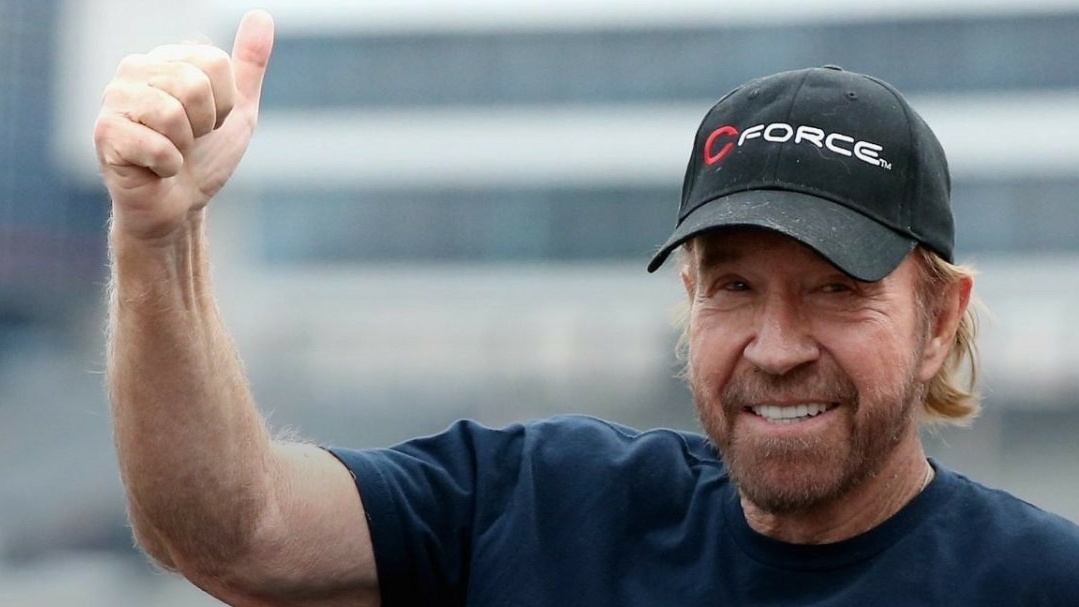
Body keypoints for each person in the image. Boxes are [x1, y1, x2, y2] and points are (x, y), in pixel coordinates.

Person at [95, 9, 1079, 607]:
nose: (776, 347)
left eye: (836, 289)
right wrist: (157, 234)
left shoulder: (1040, 580)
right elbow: (230, 533)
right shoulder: (539, 506)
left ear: (937, 320)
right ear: (689, 298)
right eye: (733, 286)